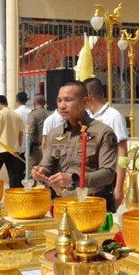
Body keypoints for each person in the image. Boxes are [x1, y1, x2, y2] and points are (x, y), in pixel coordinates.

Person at [33, 81, 119, 211]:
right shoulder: (55, 134)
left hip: (92, 206)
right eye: (59, 100)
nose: (62, 106)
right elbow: (47, 165)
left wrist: (74, 179)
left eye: (68, 100)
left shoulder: (103, 132)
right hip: (63, 205)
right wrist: (41, 172)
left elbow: (108, 174)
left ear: (85, 102)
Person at [82, 77, 129, 206]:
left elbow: (122, 152)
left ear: (88, 96)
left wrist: (119, 188)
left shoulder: (113, 117)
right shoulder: (87, 117)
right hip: (90, 178)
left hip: (107, 179)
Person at [0, 94, 24, 187]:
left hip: (1, 147)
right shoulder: (16, 115)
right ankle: (13, 192)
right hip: (13, 148)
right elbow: (21, 133)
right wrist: (19, 145)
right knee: (13, 173)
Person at [26, 94, 51, 169]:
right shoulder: (51, 114)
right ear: (45, 103)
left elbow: (30, 132)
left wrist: (28, 149)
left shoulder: (32, 115)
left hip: (36, 149)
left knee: (33, 171)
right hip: (49, 147)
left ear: (34, 103)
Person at [13, 91, 30, 156]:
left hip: (17, 141)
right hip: (28, 140)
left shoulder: (14, 113)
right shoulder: (31, 112)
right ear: (26, 100)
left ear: (16, 101)